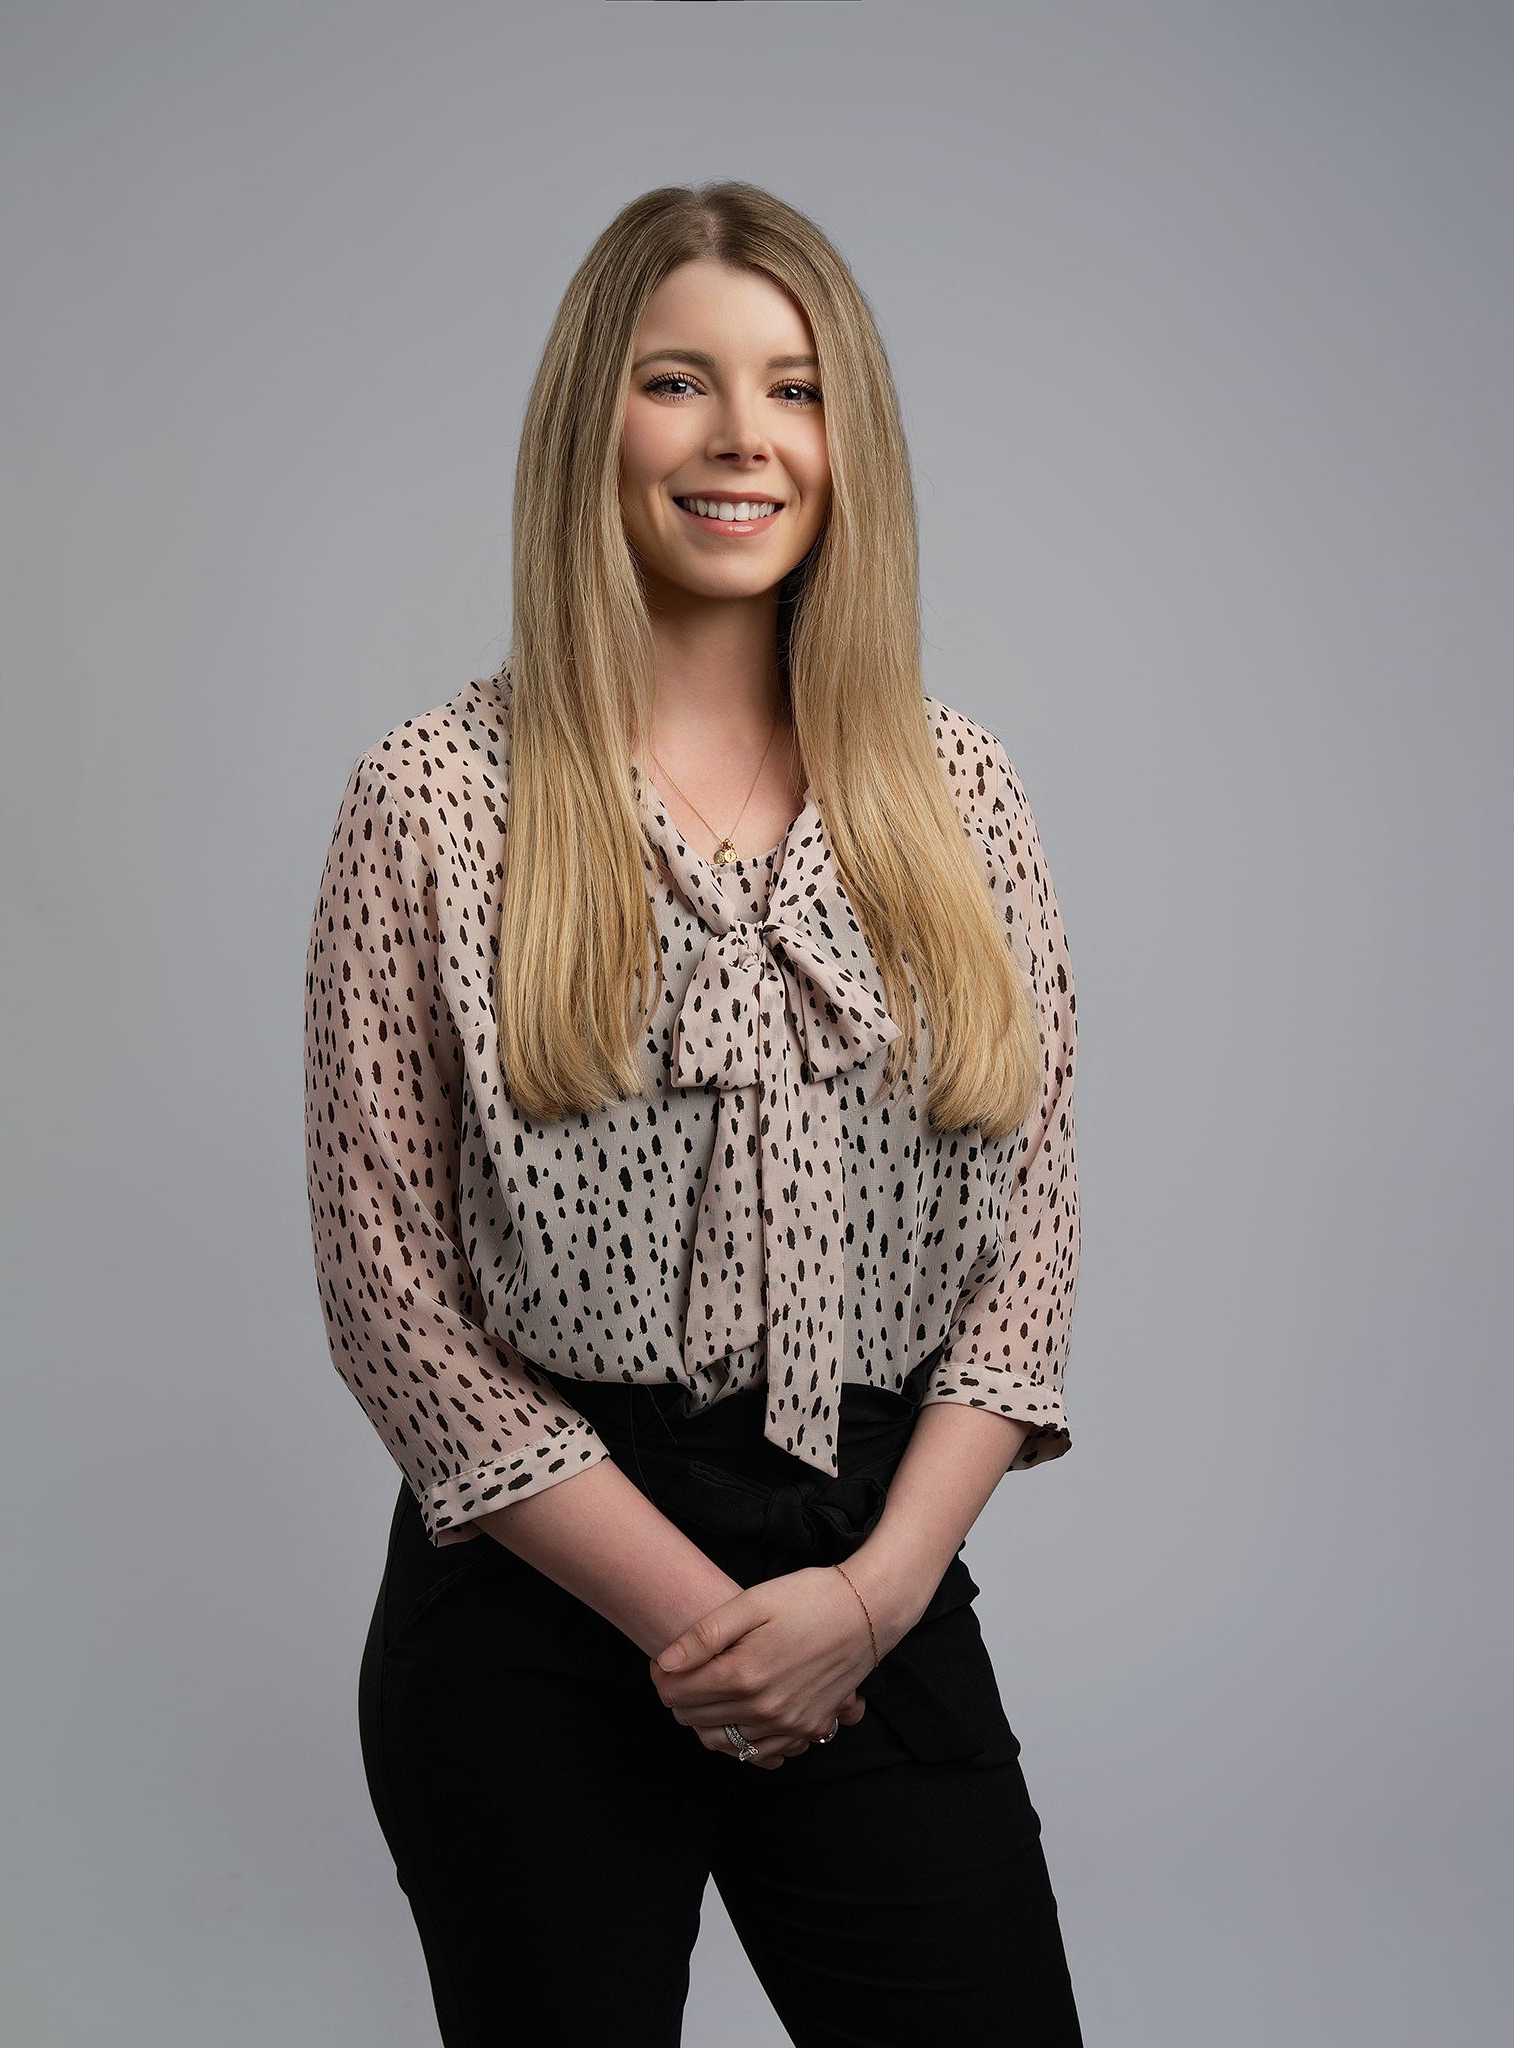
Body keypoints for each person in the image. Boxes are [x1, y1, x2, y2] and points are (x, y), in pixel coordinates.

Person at [302, 180, 1085, 2046]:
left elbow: (1030, 1254)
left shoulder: (960, 794)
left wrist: (872, 1602)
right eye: (680, 382)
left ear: (847, 442)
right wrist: (693, 1616)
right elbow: (391, 1302)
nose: (743, 438)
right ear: (598, 422)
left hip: (866, 1567)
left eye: (794, 390)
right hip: (533, 1605)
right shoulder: (430, 802)